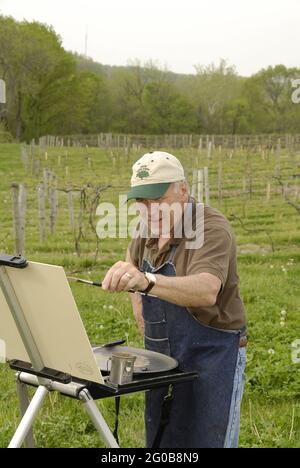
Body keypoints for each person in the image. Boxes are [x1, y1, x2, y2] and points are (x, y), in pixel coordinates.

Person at [102, 151, 247, 448]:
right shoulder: (145, 232)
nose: (149, 210)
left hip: (212, 358)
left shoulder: (210, 227)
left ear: (183, 190)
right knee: (163, 441)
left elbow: (207, 290)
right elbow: (133, 266)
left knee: (206, 441)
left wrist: (148, 281)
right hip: (162, 361)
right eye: (141, 202)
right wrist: (138, 304)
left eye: (157, 200)